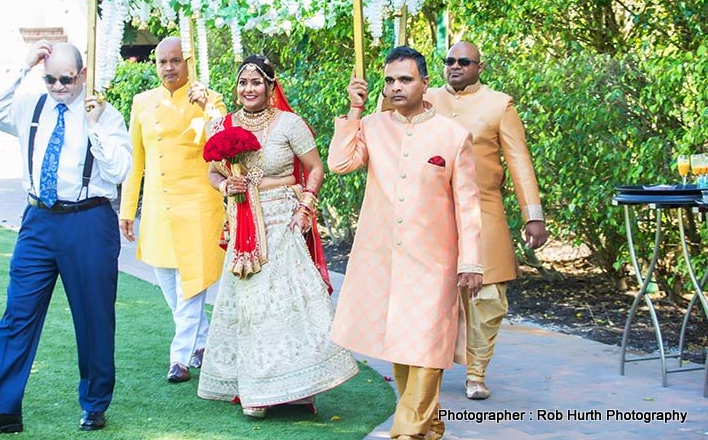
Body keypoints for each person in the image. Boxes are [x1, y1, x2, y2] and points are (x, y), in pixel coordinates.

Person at [0, 41, 132, 433]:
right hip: (39, 220)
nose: (58, 86)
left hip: (88, 220)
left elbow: (120, 170)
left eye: (66, 79)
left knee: (93, 317)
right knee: (17, 314)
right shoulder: (33, 104)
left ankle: (94, 403)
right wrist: (22, 66)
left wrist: (95, 128)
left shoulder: (104, 115)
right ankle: (4, 408)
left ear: (82, 74)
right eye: (50, 78)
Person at [328, 46, 483, 440]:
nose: (396, 87)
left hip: (435, 263)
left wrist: (472, 262)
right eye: (390, 80)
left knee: (428, 349)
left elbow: (468, 204)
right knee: (402, 348)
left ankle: (406, 433)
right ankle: (429, 427)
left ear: (425, 83)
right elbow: (340, 163)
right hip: (383, 259)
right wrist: (355, 111)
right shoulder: (374, 126)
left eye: (405, 79)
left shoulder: (452, 135)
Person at [197, 55, 358, 418]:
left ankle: (299, 388)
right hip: (243, 222)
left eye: (256, 82)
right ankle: (258, 390)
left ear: (271, 87)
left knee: (283, 303)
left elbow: (315, 168)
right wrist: (226, 185)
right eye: (243, 82)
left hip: (282, 218)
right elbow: (212, 173)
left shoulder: (289, 124)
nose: (248, 89)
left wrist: (305, 209)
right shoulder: (221, 125)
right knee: (250, 305)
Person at [432, 41, 547, 400]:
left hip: (485, 208)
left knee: (488, 294)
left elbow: (520, 162)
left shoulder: (499, 104)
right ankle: (428, 367)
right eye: (449, 61)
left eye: (464, 62)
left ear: (479, 67)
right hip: (434, 211)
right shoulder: (427, 99)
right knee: (433, 294)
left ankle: (476, 373)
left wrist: (533, 216)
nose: (455, 67)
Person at [119, 37, 226, 383]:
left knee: (191, 284)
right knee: (168, 282)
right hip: (157, 209)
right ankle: (204, 341)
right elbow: (136, 162)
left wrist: (209, 108)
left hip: (198, 205)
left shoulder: (208, 100)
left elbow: (224, 143)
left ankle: (179, 358)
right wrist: (126, 208)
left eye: (175, 60)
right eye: (162, 61)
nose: (169, 67)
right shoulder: (142, 103)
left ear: (187, 62)